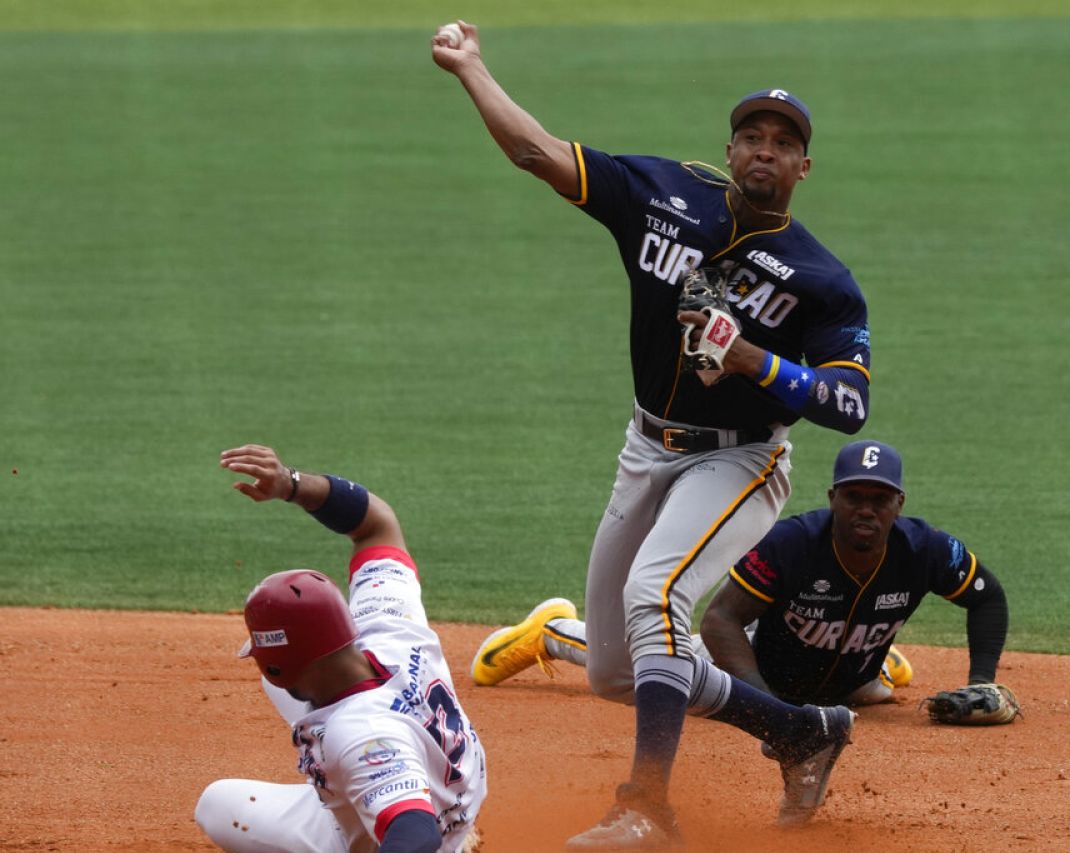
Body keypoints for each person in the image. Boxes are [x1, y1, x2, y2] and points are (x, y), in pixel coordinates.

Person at [433, 21, 873, 849]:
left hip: (740, 460)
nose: (764, 152)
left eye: (784, 143)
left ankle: (647, 804)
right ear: (731, 146)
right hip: (647, 448)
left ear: (804, 166)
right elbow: (535, 152)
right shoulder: (661, 194)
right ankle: (799, 730)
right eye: (752, 136)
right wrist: (471, 68)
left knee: (657, 596)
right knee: (613, 669)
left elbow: (848, 405)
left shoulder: (822, 281)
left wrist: (751, 360)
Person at [477, 439, 1007, 715]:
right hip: (752, 663)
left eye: (879, 499)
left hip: (842, 681)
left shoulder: (926, 549)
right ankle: (555, 632)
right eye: (854, 496)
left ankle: (869, 660)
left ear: (899, 504)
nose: (865, 509)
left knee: (870, 693)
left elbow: (989, 598)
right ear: (833, 498)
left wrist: (983, 681)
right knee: (660, 671)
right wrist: (762, 705)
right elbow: (720, 619)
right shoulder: (794, 542)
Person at [195, 445, 485, 853]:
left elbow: (416, 834)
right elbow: (376, 524)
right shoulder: (389, 624)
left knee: (218, 806)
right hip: (444, 775)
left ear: (284, 664)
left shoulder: (361, 739)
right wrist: (292, 485)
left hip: (420, 829)